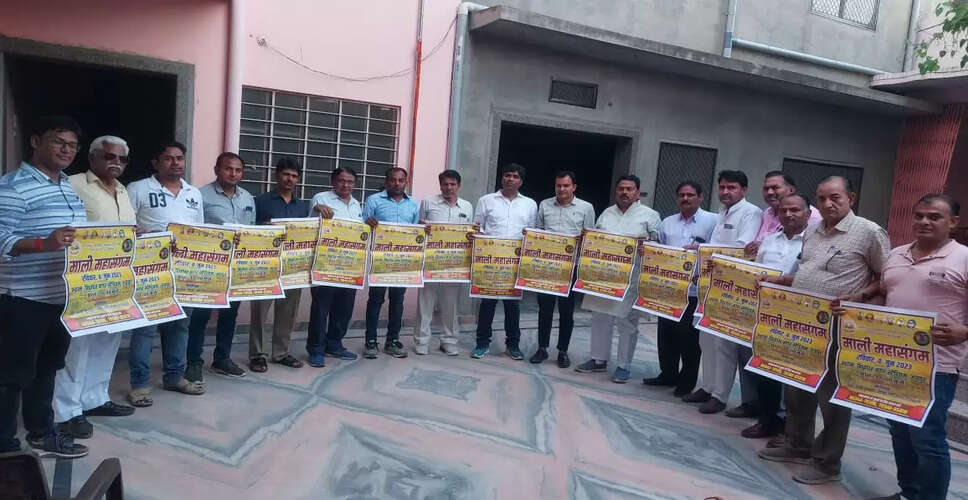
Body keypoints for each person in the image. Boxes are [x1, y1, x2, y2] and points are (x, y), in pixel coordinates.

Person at [758, 175, 889, 485]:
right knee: (797, 387)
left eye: (835, 197)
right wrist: (781, 281)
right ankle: (797, 444)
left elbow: (887, 278)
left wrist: (860, 297)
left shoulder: (869, 232)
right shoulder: (813, 232)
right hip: (803, 324)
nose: (827, 204)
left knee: (832, 398)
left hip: (839, 328)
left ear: (851, 199)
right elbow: (811, 273)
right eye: (822, 198)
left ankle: (827, 462)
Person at [0, 116, 89, 458]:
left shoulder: (66, 186)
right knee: (11, 375)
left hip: (62, 296)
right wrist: (43, 244)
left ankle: (41, 433)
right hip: (22, 298)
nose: (66, 150)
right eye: (58, 142)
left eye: (72, 145)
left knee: (47, 368)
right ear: (36, 141)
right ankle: (5, 447)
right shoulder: (12, 186)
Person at [869, 194, 967, 500]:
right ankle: (909, 493)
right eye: (919, 215)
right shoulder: (896, 254)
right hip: (892, 359)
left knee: (927, 438)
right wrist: (861, 300)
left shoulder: (963, 258)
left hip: (938, 365)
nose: (924, 221)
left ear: (953, 222)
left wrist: (964, 331)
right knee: (899, 430)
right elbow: (884, 291)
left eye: (934, 217)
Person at [53, 135, 138, 441]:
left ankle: (95, 398)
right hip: (84, 282)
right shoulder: (72, 184)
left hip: (116, 282)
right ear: (92, 158)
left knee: (107, 341)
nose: (116, 163)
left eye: (122, 159)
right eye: (109, 157)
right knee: (76, 348)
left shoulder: (124, 191)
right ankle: (66, 411)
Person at [126, 141, 205, 406]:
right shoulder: (138, 188)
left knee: (180, 326)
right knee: (145, 329)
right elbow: (126, 228)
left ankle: (174, 377)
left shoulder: (194, 193)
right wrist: (139, 234)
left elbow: (200, 231)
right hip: (150, 270)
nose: (175, 163)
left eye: (179, 158)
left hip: (184, 271)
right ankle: (139, 385)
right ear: (155, 162)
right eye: (169, 158)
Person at [686, 170, 763, 415]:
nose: (726, 192)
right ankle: (707, 387)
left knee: (723, 344)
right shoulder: (722, 211)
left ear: (743, 190)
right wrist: (701, 255)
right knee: (705, 338)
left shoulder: (750, 212)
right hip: (711, 283)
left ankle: (719, 396)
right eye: (722, 187)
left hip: (732, 286)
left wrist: (705, 250)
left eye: (732, 187)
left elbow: (742, 248)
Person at [575, 175, 660, 383]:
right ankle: (598, 359)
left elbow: (660, 244)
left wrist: (648, 244)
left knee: (626, 322)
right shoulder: (607, 213)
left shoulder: (650, 215)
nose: (624, 192)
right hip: (603, 275)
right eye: (621, 188)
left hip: (631, 277)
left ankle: (623, 365)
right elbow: (595, 238)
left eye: (629, 189)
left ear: (637, 193)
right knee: (600, 317)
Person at [741, 193, 812, 440]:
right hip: (768, 315)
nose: (789, 214)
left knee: (793, 376)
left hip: (800, 317)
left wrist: (781, 281)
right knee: (765, 369)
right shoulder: (769, 240)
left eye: (795, 210)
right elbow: (758, 272)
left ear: (808, 214)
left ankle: (790, 429)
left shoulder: (815, 243)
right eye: (784, 210)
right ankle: (767, 420)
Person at [186, 152, 255, 382]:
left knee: (229, 314)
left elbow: (252, 230)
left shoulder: (247, 198)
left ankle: (222, 359)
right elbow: (193, 230)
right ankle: (193, 362)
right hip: (208, 266)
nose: (233, 173)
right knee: (200, 316)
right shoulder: (200, 195)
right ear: (217, 170)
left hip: (236, 266)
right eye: (228, 168)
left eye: (238, 170)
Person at [642, 181, 716, 396]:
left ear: (701, 197)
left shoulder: (713, 221)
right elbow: (660, 249)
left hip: (695, 290)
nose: (685, 198)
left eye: (690, 195)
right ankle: (668, 374)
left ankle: (686, 382)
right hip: (669, 288)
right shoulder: (667, 222)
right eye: (682, 195)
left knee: (689, 337)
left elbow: (718, 250)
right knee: (666, 334)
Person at [471, 163, 537, 360]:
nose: (511, 179)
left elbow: (532, 232)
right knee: (487, 303)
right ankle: (482, 343)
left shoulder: (530, 204)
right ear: (502, 178)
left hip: (515, 263)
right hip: (490, 261)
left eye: (515, 176)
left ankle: (513, 345)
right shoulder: (486, 201)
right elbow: (477, 228)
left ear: (521, 181)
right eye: (507, 175)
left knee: (513, 306)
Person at [250, 157, 310, 372]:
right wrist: (263, 228)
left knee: (288, 312)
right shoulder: (260, 202)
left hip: (292, 266)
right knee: (260, 312)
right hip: (266, 264)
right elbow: (249, 230)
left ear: (298, 179)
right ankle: (257, 355)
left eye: (294, 176)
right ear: (277, 175)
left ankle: (281, 352)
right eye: (286, 174)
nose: (289, 179)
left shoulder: (302, 206)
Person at [530, 170, 596, 368]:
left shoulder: (586, 208)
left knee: (567, 312)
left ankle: (563, 351)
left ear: (574, 187)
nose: (561, 189)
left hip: (571, 267)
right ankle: (542, 348)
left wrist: (583, 240)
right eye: (558, 185)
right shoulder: (544, 205)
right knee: (545, 309)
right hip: (547, 266)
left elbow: (591, 237)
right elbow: (538, 231)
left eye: (566, 185)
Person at [306, 166, 363, 367]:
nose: (346, 185)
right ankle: (316, 349)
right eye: (341, 180)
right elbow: (309, 225)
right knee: (321, 309)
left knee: (344, 308)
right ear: (333, 182)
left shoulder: (356, 204)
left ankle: (334, 344)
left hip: (350, 265)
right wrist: (317, 210)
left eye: (350, 182)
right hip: (326, 264)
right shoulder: (320, 199)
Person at [413, 169, 473, 356]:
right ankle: (421, 341)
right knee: (425, 303)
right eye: (445, 184)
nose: (449, 187)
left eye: (452, 184)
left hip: (455, 263)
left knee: (450, 304)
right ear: (440, 185)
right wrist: (422, 227)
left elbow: (470, 232)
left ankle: (449, 341)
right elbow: (418, 227)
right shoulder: (428, 202)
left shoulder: (467, 206)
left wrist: (473, 234)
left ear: (459, 185)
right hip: (431, 260)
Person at [362, 167, 420, 359]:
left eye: (401, 180)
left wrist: (423, 231)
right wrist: (367, 223)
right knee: (375, 300)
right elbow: (361, 226)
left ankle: (392, 341)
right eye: (393, 180)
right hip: (380, 259)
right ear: (386, 181)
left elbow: (416, 230)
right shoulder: (373, 200)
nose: (397, 183)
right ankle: (371, 341)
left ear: (406, 182)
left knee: (397, 301)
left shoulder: (413, 204)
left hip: (403, 261)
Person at [745, 171, 821, 256]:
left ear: (791, 190)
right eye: (766, 189)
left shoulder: (811, 216)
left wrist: (765, 247)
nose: (769, 192)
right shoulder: (768, 212)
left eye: (775, 188)